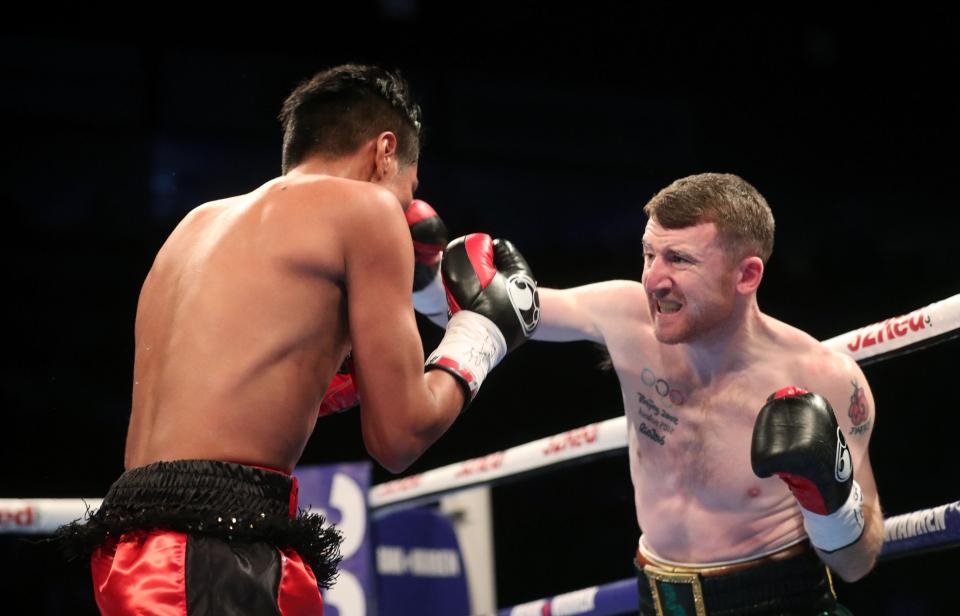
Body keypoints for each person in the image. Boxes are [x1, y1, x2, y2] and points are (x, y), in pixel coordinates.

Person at [55, 64, 539, 616]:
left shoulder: (195, 225)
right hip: (215, 552)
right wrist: (481, 335)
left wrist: (355, 378)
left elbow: (235, 394)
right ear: (384, 151)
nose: (407, 204)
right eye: (411, 185)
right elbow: (399, 436)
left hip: (135, 550)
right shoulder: (369, 210)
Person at [529, 173, 883, 614]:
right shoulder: (626, 318)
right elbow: (505, 311)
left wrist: (828, 503)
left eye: (679, 259)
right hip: (657, 602)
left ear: (746, 275)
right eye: (648, 254)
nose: (653, 280)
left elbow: (857, 562)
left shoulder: (825, 379)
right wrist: (430, 280)